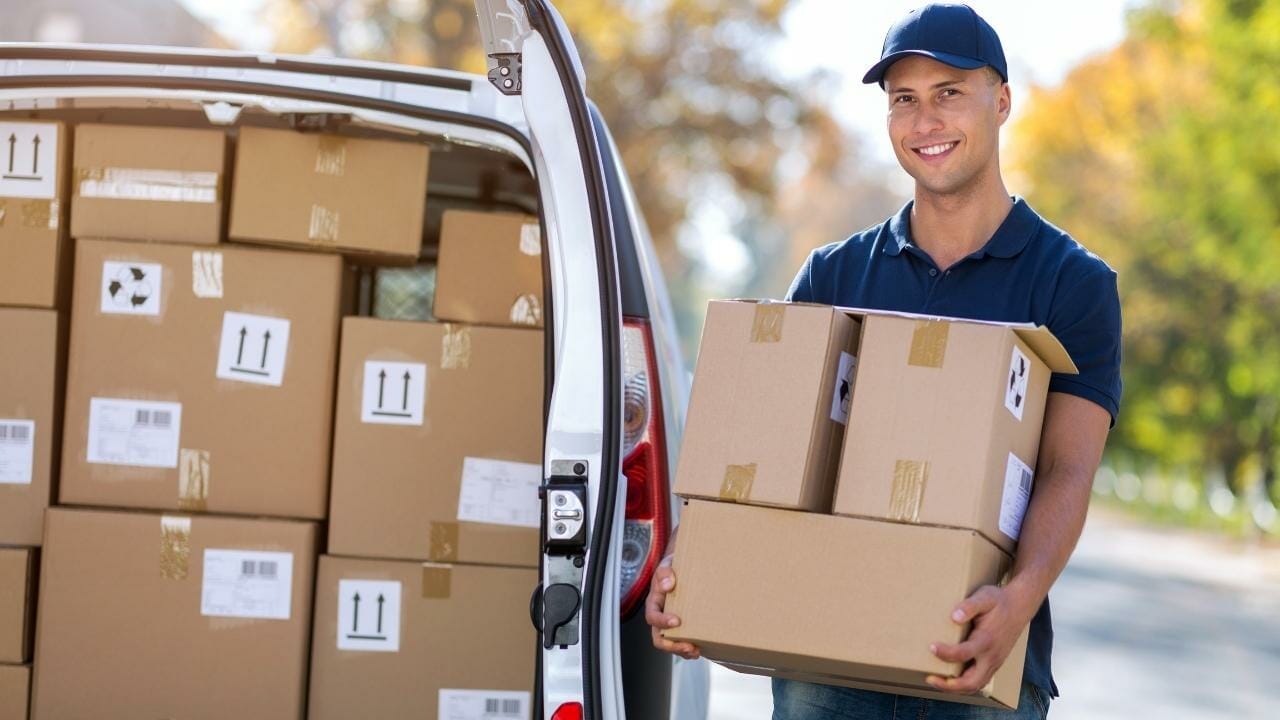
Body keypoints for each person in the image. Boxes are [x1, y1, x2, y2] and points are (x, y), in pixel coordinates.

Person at [644, 3, 1123, 718]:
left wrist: (1018, 601)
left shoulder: (1071, 283)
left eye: (948, 93)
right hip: (824, 661)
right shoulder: (833, 275)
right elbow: (764, 447)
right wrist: (693, 562)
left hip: (976, 650)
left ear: (1001, 101)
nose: (925, 121)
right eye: (904, 100)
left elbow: (1067, 468)